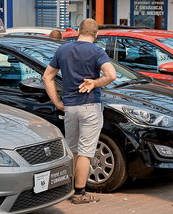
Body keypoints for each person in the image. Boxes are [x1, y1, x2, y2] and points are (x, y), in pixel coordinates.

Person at [42, 19, 117, 204]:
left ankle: (68, 188)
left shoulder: (63, 50)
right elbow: (112, 75)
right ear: (96, 34)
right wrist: (95, 82)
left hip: (70, 107)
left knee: (73, 149)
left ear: (78, 31)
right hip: (90, 106)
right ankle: (79, 193)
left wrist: (57, 102)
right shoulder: (97, 51)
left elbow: (47, 77)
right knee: (85, 151)